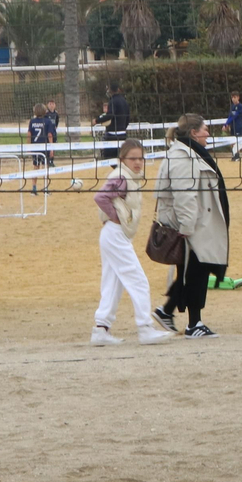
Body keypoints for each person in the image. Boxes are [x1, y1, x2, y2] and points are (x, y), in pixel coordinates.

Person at [152, 114, 229, 339]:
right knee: (196, 271)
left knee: (196, 269)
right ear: (194, 132)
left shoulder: (190, 152)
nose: (208, 133)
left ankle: (166, 311)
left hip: (197, 223)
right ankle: (194, 324)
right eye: (205, 129)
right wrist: (186, 227)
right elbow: (184, 195)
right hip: (191, 225)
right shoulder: (182, 157)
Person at [90, 139, 170, 346]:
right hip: (115, 234)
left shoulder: (128, 178)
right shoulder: (121, 177)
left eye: (140, 158)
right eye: (133, 158)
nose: (138, 162)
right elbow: (101, 197)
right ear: (122, 159)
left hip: (115, 235)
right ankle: (145, 328)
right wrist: (114, 217)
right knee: (138, 281)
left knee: (113, 284)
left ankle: (101, 329)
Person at [98, 83, 130, 161]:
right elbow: (128, 116)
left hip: (112, 134)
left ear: (110, 91)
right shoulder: (124, 101)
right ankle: (121, 170)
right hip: (123, 134)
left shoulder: (112, 101)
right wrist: (123, 128)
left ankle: (120, 170)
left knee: (108, 157)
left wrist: (97, 120)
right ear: (118, 89)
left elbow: (110, 115)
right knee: (120, 157)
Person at [27, 104, 51, 196]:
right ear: (45, 111)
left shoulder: (32, 121)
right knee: (46, 168)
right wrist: (52, 148)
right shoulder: (47, 121)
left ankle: (34, 189)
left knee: (36, 168)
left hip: (35, 148)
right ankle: (46, 189)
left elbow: (29, 134)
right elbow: (49, 135)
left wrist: (28, 147)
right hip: (45, 148)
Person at [225, 91, 242, 161]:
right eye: (232, 97)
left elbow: (234, 116)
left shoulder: (240, 106)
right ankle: (235, 154)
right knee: (232, 141)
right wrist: (226, 124)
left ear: (238, 97)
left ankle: (237, 156)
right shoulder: (232, 106)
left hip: (238, 126)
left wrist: (227, 123)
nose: (233, 99)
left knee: (237, 141)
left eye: (234, 97)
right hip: (233, 126)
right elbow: (230, 116)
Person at [43, 99, 60, 168]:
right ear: (47, 105)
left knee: (54, 146)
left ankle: (51, 161)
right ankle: (47, 160)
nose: (51, 105)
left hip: (53, 132)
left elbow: (57, 122)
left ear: (55, 105)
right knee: (48, 146)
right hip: (47, 133)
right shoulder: (46, 114)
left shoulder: (56, 114)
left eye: (53, 104)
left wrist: (55, 127)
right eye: (50, 104)